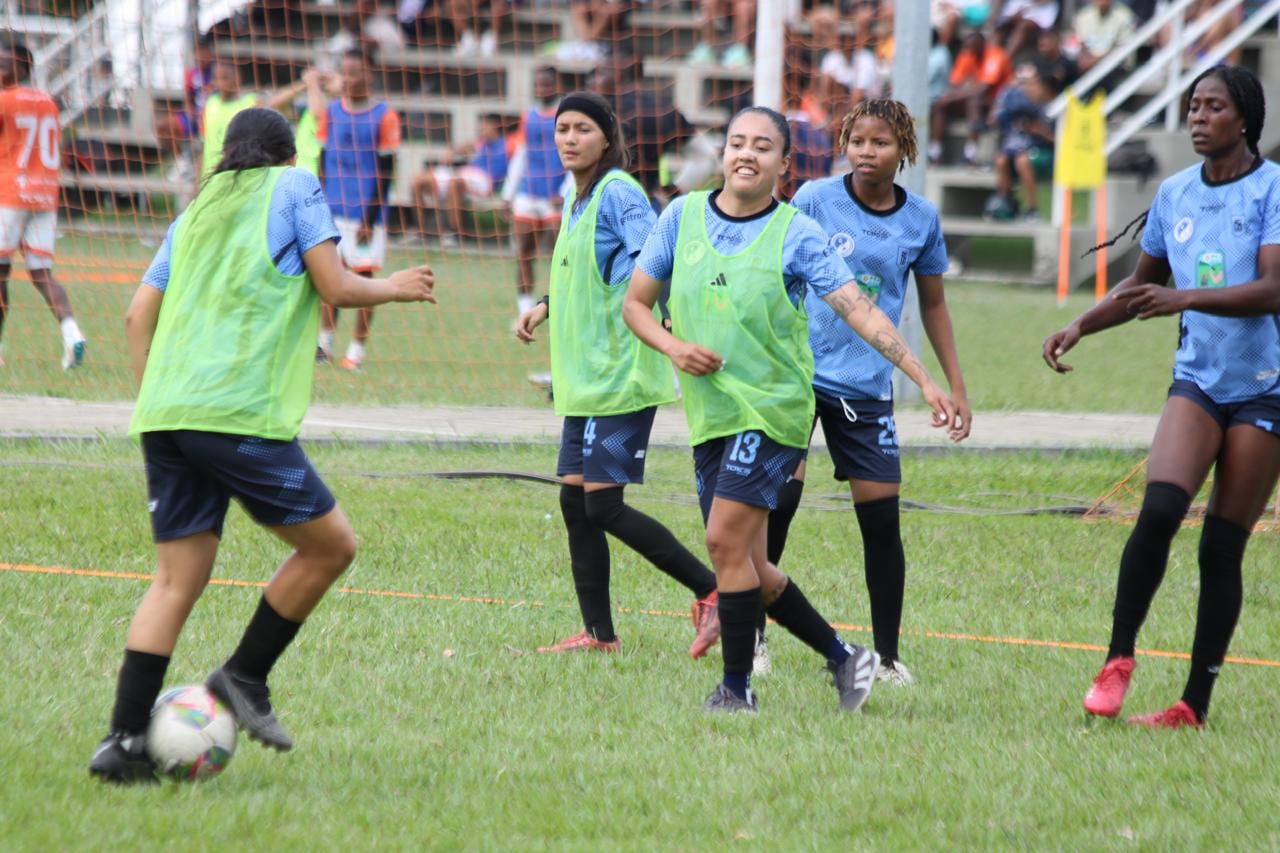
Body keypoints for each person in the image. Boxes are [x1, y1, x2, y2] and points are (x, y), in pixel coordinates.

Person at [88, 107, 435, 783]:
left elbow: (136, 314)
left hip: (166, 413)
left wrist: (158, 400)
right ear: (286, 152)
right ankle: (244, 675)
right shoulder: (295, 185)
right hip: (237, 412)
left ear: (226, 152)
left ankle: (122, 743)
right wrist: (391, 286)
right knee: (332, 545)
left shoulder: (195, 209)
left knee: (173, 580)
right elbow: (333, 284)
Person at [623, 106, 957, 713]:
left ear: (784, 164)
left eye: (762, 146)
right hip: (712, 413)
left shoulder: (799, 232)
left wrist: (924, 379)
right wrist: (674, 346)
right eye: (736, 143)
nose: (746, 154)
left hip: (774, 411)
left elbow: (859, 308)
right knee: (751, 564)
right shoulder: (682, 216)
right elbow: (637, 304)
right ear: (723, 154)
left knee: (724, 541)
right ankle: (843, 657)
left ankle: (736, 688)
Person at [1042, 67, 1280, 729]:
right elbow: (1139, 287)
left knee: (1219, 548)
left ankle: (1191, 703)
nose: (1198, 117)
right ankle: (1117, 661)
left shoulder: (1274, 189)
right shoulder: (1175, 193)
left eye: (1213, 107)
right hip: (1199, 380)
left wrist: (1183, 297)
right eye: (1193, 106)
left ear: (1245, 119)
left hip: (1267, 389)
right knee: (1160, 508)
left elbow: (1272, 290)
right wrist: (1080, 325)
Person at [763, 99, 971, 684]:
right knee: (776, 505)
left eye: (879, 143)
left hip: (866, 387)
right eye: (856, 141)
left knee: (881, 522)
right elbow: (777, 277)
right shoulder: (812, 199)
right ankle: (752, 637)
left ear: (903, 149)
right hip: (798, 379)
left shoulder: (921, 220)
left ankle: (887, 657)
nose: (865, 152)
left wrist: (953, 386)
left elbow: (934, 305)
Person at [514, 92, 721, 656]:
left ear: (607, 137)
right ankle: (599, 634)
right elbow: (593, 270)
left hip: (623, 374)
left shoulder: (620, 192)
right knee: (574, 501)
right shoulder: (575, 198)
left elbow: (653, 259)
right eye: (562, 129)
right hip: (586, 379)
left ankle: (713, 590)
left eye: (582, 128)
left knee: (603, 505)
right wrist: (546, 305)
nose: (569, 138)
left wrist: (675, 333)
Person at [0, 39, 87, 371]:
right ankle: (72, 334)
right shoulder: (48, 102)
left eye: (3, 65)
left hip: (9, 195)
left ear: (22, 69)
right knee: (41, 274)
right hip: (45, 196)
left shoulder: (5, 100)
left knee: (0, 273)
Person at [315, 49, 403, 371]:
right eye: (345, 72)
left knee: (366, 282)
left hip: (365, 214)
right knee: (329, 278)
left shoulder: (385, 116)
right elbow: (322, 160)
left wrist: (369, 217)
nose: (349, 79)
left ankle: (356, 353)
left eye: (356, 72)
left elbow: (386, 172)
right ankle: (324, 345)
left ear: (370, 74)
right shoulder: (332, 112)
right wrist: (320, 202)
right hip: (333, 210)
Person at [503, 66, 566, 323]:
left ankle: (557, 306)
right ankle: (524, 309)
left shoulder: (565, 115)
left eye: (546, 83)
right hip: (528, 193)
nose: (542, 88)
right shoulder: (528, 117)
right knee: (524, 253)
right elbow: (521, 154)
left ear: (556, 84)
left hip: (555, 195)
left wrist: (565, 191)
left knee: (559, 255)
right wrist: (508, 193)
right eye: (538, 83)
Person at [409, 113, 509, 247]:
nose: (482, 128)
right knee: (418, 181)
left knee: (455, 182)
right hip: (464, 175)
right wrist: (452, 152)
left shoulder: (507, 144)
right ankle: (420, 232)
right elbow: (464, 148)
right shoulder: (480, 143)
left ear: (495, 125)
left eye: (485, 125)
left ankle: (452, 234)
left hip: (485, 182)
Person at [928, 29, 1013, 166]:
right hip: (973, 99)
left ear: (982, 44)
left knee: (973, 102)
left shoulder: (995, 55)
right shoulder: (967, 54)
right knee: (941, 105)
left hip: (997, 102)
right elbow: (954, 83)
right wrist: (950, 96)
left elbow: (983, 89)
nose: (970, 51)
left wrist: (954, 95)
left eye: (973, 47)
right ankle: (934, 152)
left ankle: (970, 154)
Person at [989, 64, 1055, 221]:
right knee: (1001, 159)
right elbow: (994, 121)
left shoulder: (1050, 105)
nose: (1026, 88)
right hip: (1021, 148)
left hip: (1046, 151)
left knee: (1022, 161)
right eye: (1022, 83)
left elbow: (1057, 139)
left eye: (1030, 83)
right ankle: (1006, 204)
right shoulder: (1015, 102)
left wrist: (1039, 130)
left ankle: (1032, 209)